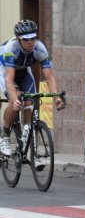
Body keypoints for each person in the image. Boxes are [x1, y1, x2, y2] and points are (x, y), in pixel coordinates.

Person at [0, 20, 66, 156]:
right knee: (16, 100)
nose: (30, 42)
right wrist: (14, 99)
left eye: (33, 38)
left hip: (24, 71)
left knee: (30, 99)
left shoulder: (40, 48)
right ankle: (5, 135)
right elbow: (9, 78)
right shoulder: (11, 48)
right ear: (19, 39)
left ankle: (27, 131)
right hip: (5, 71)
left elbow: (49, 77)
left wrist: (56, 97)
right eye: (26, 39)